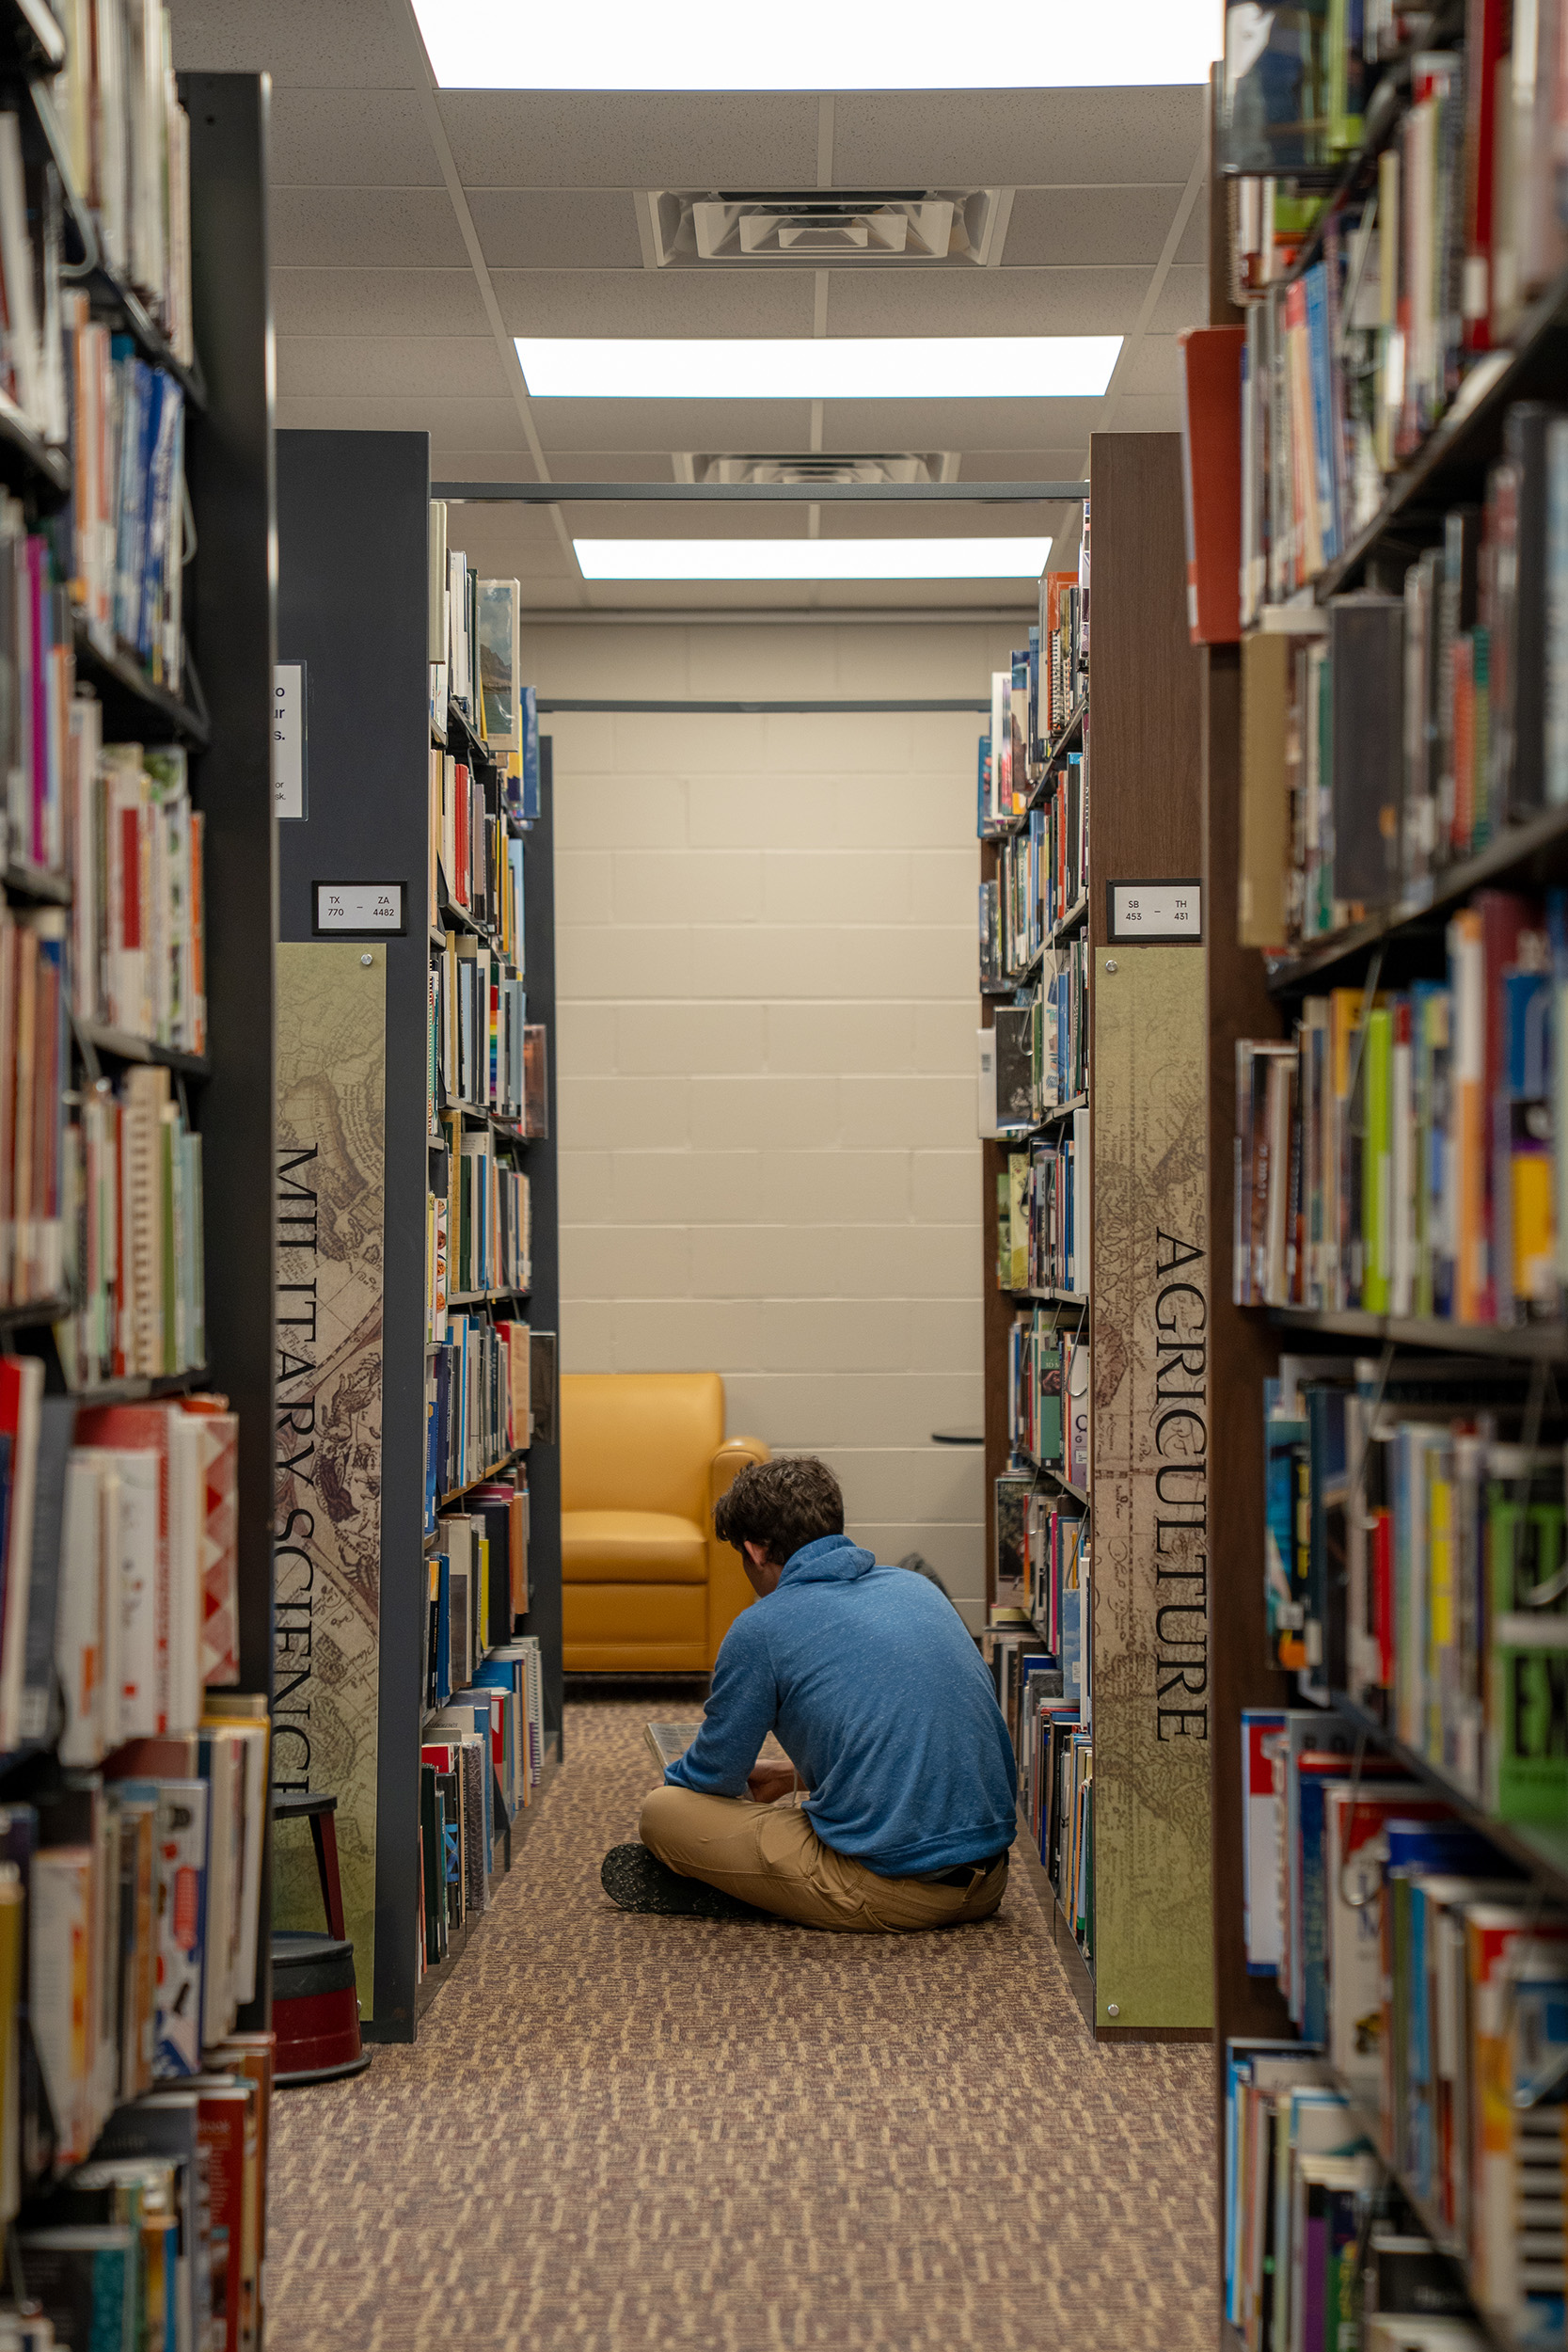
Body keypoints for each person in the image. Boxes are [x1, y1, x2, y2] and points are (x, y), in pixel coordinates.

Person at [599, 1455, 1018, 1932]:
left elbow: (711, 1777)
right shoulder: (917, 1587)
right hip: (988, 1884)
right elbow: (907, 1729)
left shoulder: (760, 1629)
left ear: (755, 1551)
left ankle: (756, 1889)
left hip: (888, 1891)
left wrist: (679, 1789)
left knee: (664, 1813)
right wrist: (792, 1774)